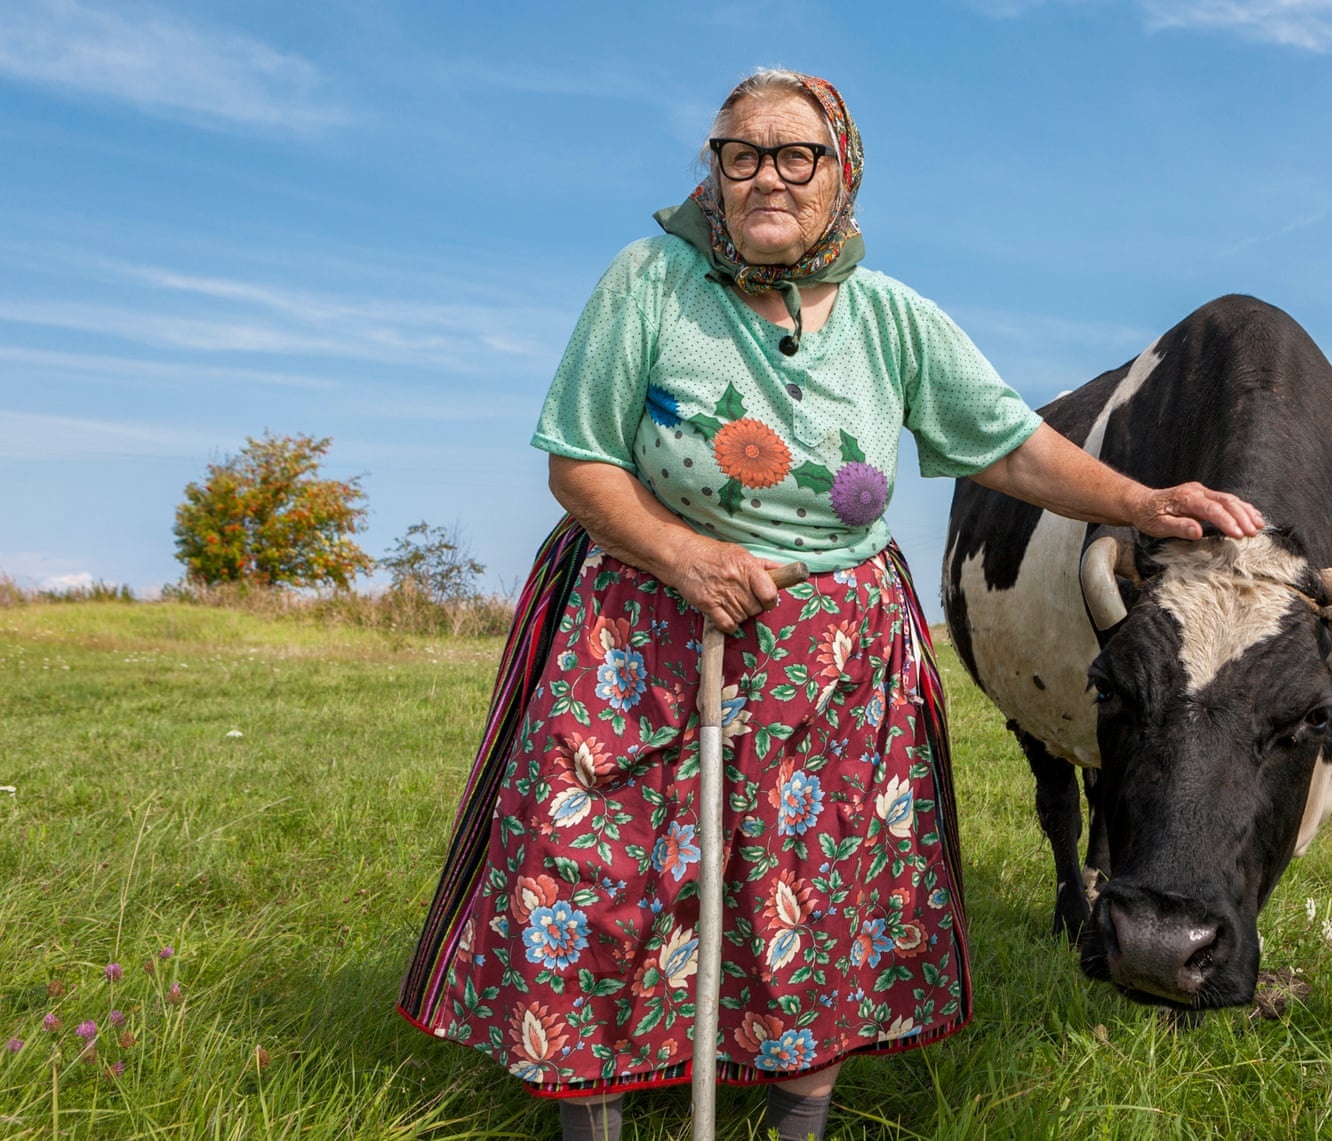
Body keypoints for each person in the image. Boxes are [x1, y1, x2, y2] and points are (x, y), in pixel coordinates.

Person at [398, 69, 1262, 1141]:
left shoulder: (891, 316)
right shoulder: (650, 280)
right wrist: (682, 553)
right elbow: (579, 462)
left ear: (841, 172)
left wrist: (1144, 499)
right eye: (740, 152)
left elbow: (1010, 446)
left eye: (794, 154)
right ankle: (595, 1117)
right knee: (590, 871)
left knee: (808, 892)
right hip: (639, 627)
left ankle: (795, 1121)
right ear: (712, 172)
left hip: (833, 651)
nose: (767, 174)